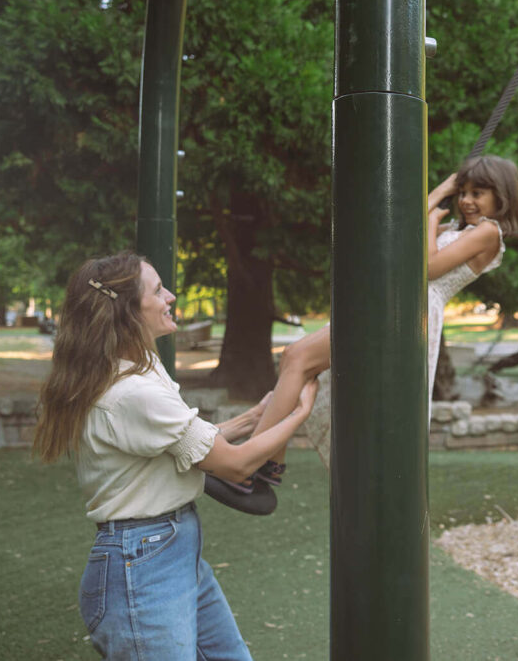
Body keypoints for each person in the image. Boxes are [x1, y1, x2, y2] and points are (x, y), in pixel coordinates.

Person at [33, 252, 318, 660]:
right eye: (157, 289)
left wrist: (256, 415)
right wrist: (298, 415)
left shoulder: (140, 368)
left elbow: (187, 442)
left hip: (171, 548)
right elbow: (234, 464)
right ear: (129, 310)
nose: (170, 296)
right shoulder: (133, 392)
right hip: (142, 564)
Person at [227, 155, 518, 505]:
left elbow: (427, 268)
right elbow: (399, 230)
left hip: (407, 309)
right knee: (298, 362)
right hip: (388, 304)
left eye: (478, 193)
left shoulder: (489, 233)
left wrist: (431, 220)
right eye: (463, 192)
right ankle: (268, 463)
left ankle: (250, 465)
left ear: (502, 196)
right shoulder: (461, 231)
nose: (466, 201)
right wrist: (440, 192)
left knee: (298, 358)